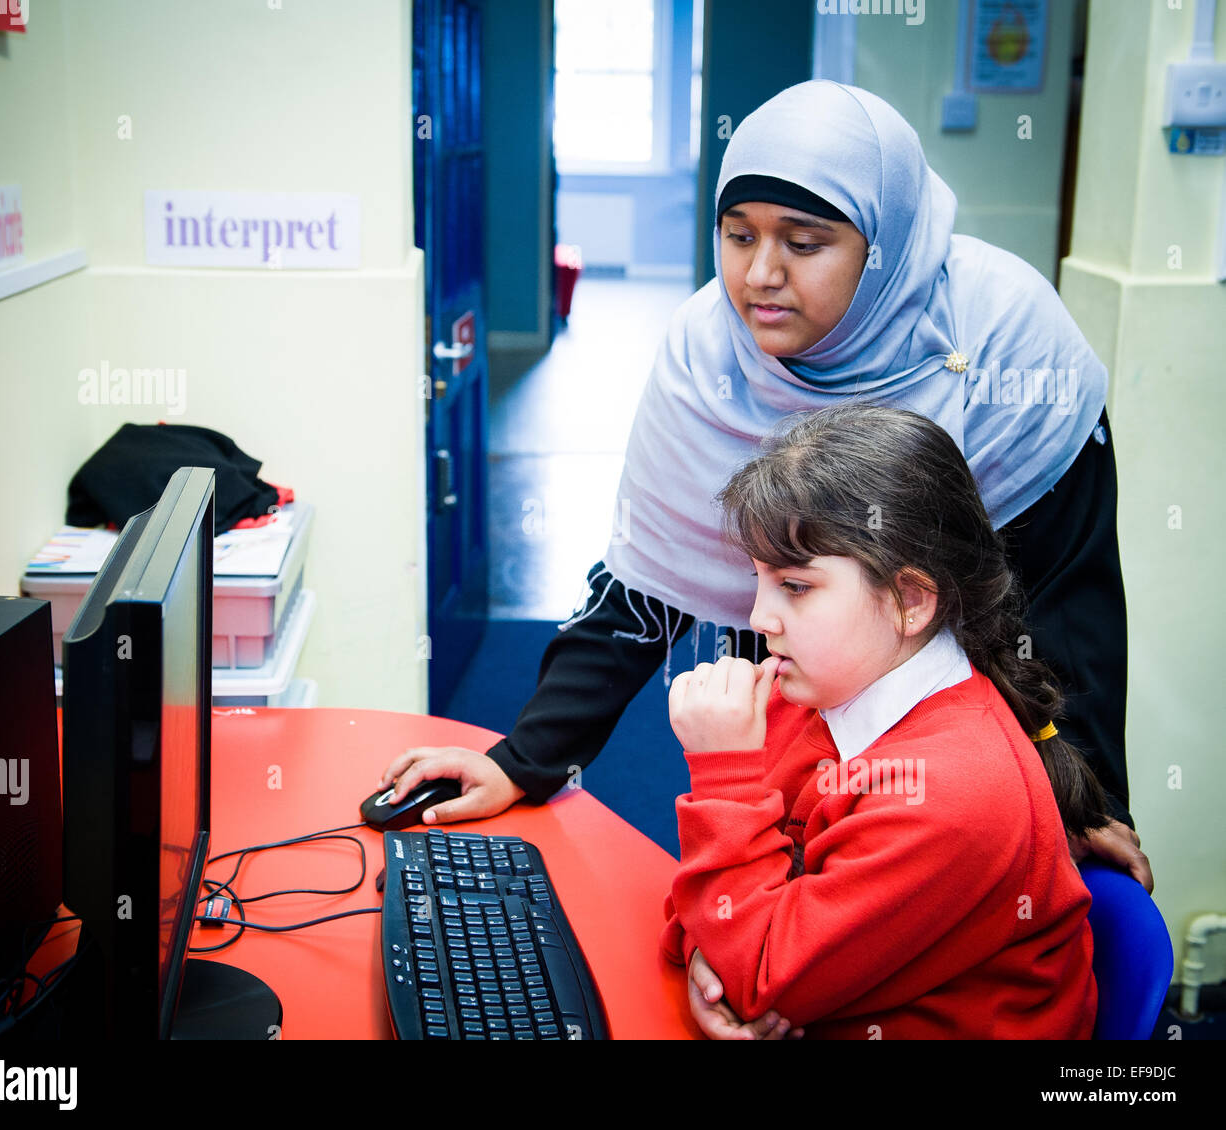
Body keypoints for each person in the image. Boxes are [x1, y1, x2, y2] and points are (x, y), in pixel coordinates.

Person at [378, 79, 1150, 892]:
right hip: (798, 711)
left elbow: (1065, 600)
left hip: (954, 734)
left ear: (882, 244)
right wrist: (522, 759)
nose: (760, 274)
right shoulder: (706, 354)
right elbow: (647, 585)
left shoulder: (1008, 340)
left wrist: (1086, 793)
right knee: (786, 917)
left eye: (804, 243)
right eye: (737, 235)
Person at [663, 403, 1105, 1039]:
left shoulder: (951, 794)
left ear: (910, 601)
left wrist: (724, 776)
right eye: (757, 579)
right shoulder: (811, 693)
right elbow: (705, 908)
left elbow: (761, 978)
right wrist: (712, 955)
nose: (759, 617)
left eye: (795, 586)